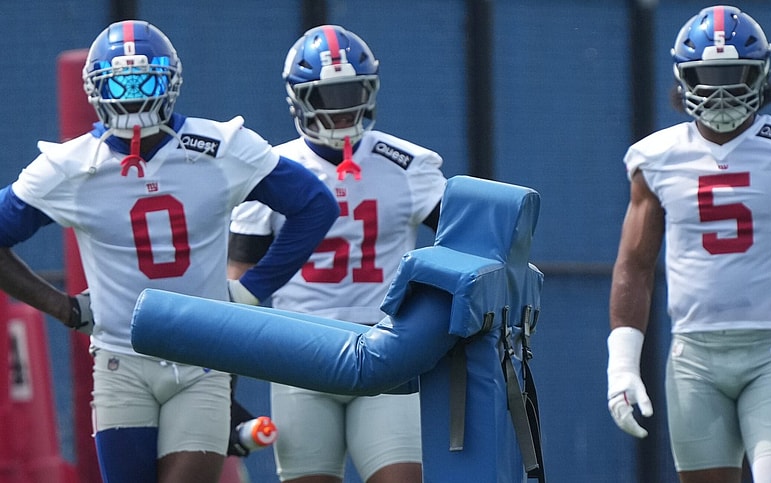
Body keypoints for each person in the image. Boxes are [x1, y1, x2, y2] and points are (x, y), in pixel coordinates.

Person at [0, 20, 338, 483]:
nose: (134, 95)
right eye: (121, 83)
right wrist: (62, 308)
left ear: (171, 82)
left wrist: (251, 292)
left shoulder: (221, 147)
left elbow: (315, 205)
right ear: (96, 90)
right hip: (120, 358)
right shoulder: (72, 165)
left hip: (201, 357)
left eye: (146, 81)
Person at [605, 5, 771, 483]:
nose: (719, 90)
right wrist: (621, 365)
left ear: (760, 74)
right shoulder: (655, 157)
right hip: (692, 361)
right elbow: (634, 265)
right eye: (706, 75)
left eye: (733, 74)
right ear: (682, 78)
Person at [228, 25, 446, 483]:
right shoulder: (269, 170)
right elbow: (237, 286)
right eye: (326, 95)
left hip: (385, 346)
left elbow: (461, 248)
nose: (341, 107)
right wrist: (222, 382)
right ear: (298, 98)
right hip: (298, 347)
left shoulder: (408, 164)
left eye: (350, 92)